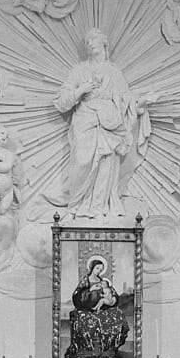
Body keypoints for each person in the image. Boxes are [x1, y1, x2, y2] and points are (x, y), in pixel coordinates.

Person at [48, 28, 153, 218]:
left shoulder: (114, 72)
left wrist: (142, 103)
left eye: (93, 39)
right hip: (84, 119)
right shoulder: (79, 70)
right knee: (82, 159)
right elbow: (61, 103)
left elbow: (126, 102)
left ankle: (99, 207)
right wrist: (81, 90)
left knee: (106, 164)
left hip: (110, 123)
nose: (89, 42)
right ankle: (77, 205)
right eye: (87, 40)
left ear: (104, 43)